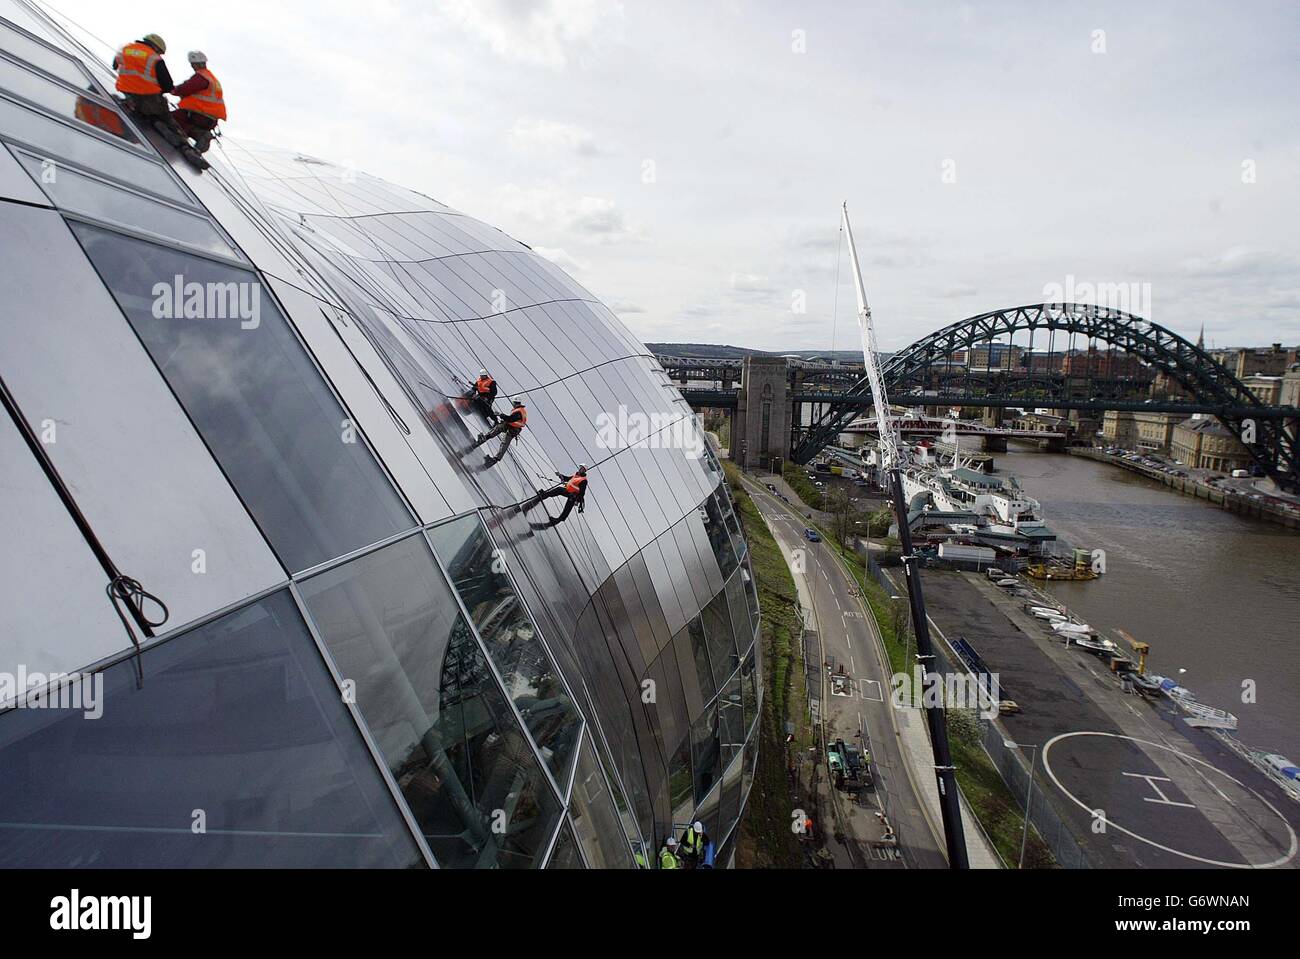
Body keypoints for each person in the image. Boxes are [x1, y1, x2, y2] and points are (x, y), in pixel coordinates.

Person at [170, 51, 226, 154]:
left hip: (197, 114)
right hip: (210, 120)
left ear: (195, 64)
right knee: (185, 125)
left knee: (170, 119)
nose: (193, 66)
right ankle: (198, 136)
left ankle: (190, 140)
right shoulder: (212, 78)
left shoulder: (201, 77)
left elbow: (185, 88)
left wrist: (172, 89)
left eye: (193, 64)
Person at [523, 465, 588, 527]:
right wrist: (560, 475)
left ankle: (558, 520)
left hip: (574, 495)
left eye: (582, 469)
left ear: (584, 471)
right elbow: (567, 478)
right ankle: (544, 495)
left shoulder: (583, 480)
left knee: (567, 508)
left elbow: (582, 492)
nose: (580, 469)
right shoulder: (576, 476)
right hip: (568, 491)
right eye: (580, 468)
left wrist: (577, 500)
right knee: (558, 490)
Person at [470, 397, 526, 463]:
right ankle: (494, 456)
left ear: (515, 402)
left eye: (513, 402)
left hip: (513, 429)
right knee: (499, 429)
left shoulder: (519, 411)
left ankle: (495, 458)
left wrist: (500, 415)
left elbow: (510, 419)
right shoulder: (521, 410)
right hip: (512, 427)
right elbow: (512, 420)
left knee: (504, 442)